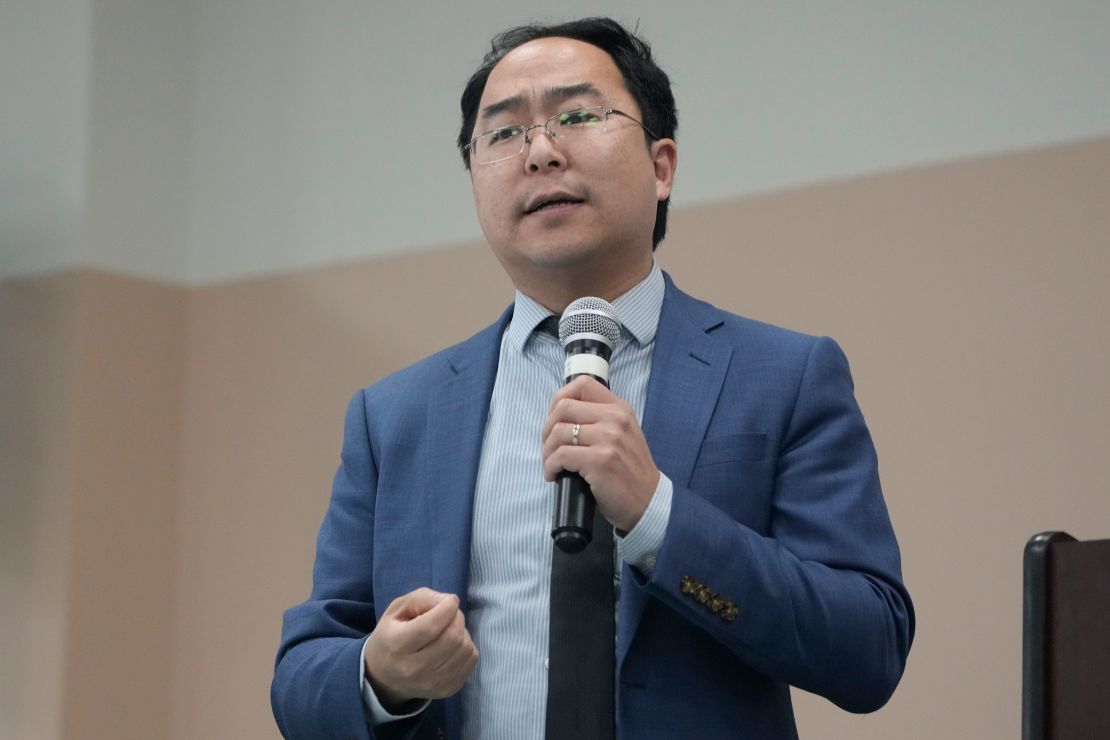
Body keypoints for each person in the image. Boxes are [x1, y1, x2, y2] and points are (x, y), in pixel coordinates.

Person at [272, 17, 914, 740]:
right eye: (504, 133)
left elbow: (869, 649)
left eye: (577, 115)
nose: (541, 151)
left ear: (662, 164)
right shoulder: (397, 415)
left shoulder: (785, 376)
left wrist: (658, 516)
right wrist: (383, 678)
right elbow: (303, 676)